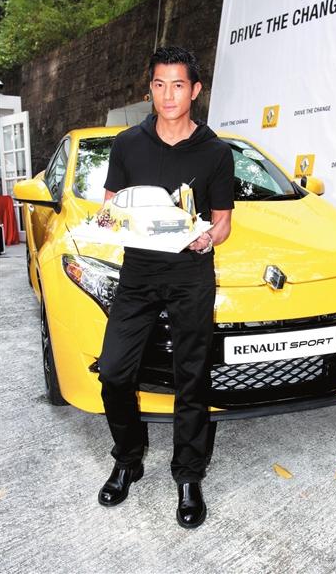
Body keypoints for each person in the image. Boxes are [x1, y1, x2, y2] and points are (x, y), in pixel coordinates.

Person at [97, 46, 234, 528]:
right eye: (159, 84)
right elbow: (110, 208)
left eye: (178, 85)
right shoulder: (127, 145)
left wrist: (206, 238)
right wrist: (107, 219)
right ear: (150, 89)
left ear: (195, 90)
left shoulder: (216, 152)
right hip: (138, 273)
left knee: (191, 377)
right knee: (114, 371)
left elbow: (223, 223)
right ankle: (128, 458)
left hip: (190, 273)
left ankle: (188, 475)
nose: (168, 95)